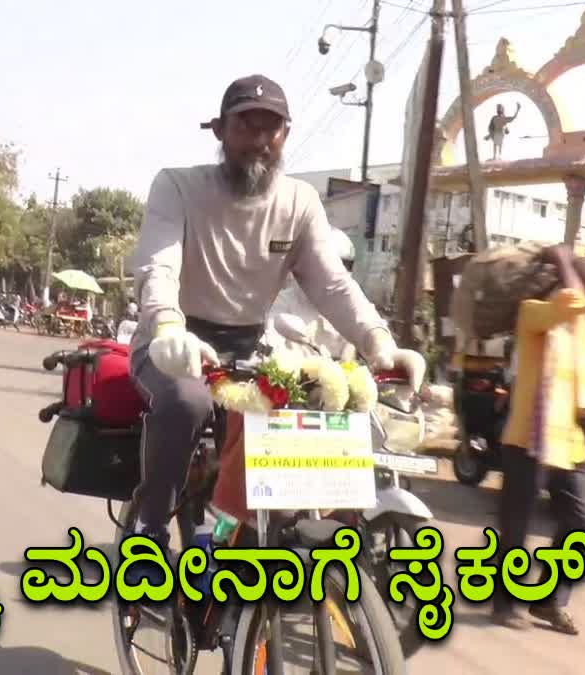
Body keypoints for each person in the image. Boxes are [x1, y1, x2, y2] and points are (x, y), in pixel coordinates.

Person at [129, 74, 424, 564]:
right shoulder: (177, 186)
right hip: (174, 343)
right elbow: (158, 266)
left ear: (286, 135)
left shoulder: (300, 202)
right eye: (247, 125)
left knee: (298, 424)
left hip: (249, 349)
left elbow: (332, 284)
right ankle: (150, 526)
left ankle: (243, 548)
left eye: (273, 128)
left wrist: (380, 343)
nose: (260, 140)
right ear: (221, 130)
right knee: (185, 401)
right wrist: (166, 327)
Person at [492, 245, 585, 635]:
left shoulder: (581, 328)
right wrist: (563, 259)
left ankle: (549, 601)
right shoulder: (534, 313)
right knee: (516, 529)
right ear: (571, 284)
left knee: (581, 523)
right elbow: (570, 301)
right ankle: (504, 603)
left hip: (570, 441)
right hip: (528, 438)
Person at [264, 227, 360, 360]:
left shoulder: (350, 304)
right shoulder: (285, 301)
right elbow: (272, 343)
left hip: (337, 377)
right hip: (294, 376)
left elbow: (364, 334)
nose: (333, 274)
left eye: (344, 266)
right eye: (325, 267)